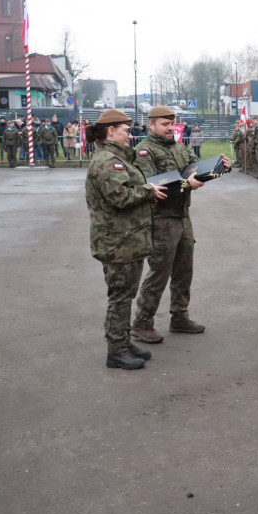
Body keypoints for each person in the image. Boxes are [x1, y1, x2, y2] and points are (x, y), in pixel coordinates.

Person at [131, 106, 223, 343]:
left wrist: (219, 168)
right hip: (160, 220)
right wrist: (186, 184)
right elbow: (153, 185)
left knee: (184, 270)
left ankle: (179, 316)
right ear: (151, 125)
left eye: (172, 124)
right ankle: (142, 322)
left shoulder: (178, 147)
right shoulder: (144, 151)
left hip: (182, 217)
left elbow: (195, 169)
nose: (171, 128)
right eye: (165, 124)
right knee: (159, 272)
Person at [83, 108, 166, 370]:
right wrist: (148, 190)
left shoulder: (117, 158)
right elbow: (120, 197)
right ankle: (116, 351)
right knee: (119, 297)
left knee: (125, 295)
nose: (130, 135)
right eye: (126, 130)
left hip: (126, 240)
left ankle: (124, 343)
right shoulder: (108, 161)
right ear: (111, 131)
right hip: (117, 242)